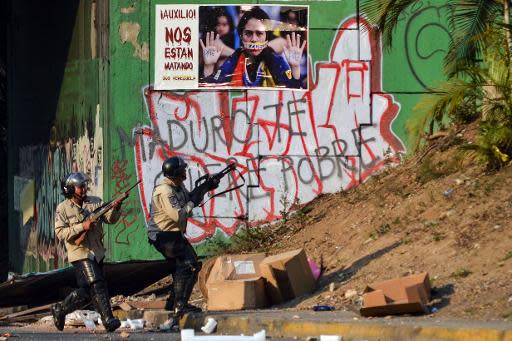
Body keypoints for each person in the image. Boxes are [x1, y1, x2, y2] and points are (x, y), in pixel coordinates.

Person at [146, 156, 219, 328]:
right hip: (163, 235)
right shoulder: (165, 191)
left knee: (187, 266)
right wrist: (193, 202)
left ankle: (179, 305)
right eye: (183, 169)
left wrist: (206, 187)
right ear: (176, 173)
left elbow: (190, 198)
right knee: (189, 266)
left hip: (173, 233)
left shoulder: (177, 186)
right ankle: (180, 306)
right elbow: (178, 214)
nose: (185, 171)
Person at [51, 172, 122, 332]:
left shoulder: (95, 202)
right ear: (70, 189)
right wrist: (82, 227)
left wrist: (116, 207)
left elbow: (110, 219)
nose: (84, 189)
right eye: (80, 187)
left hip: (96, 252)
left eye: (85, 186)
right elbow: (61, 233)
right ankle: (108, 320)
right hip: (79, 252)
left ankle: (60, 309)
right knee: (98, 284)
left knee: (87, 291)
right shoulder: (62, 208)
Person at [200, 7, 306, 88]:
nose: (254, 39)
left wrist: (295, 68)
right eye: (248, 33)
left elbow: (294, 90)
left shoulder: (276, 61)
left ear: (267, 37)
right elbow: (212, 90)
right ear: (241, 36)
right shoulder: (233, 59)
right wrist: (209, 66)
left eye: (259, 34)